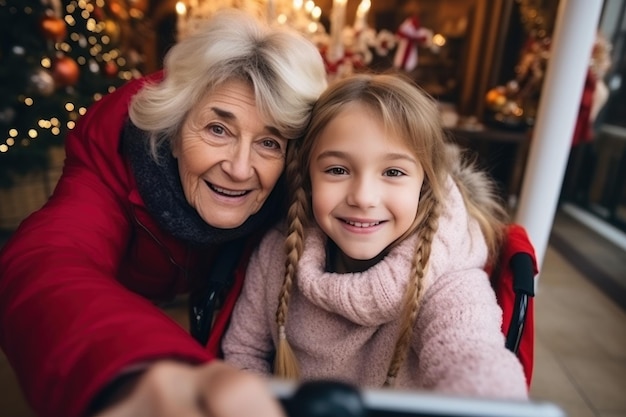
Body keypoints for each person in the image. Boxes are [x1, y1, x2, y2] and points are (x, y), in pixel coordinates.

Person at [0, 9, 327, 417]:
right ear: (172, 133)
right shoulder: (110, 163)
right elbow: (46, 263)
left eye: (270, 143)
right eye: (217, 129)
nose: (240, 169)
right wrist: (129, 372)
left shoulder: (290, 197)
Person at [222, 73, 529, 399]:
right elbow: (244, 352)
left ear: (423, 185)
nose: (363, 197)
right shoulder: (277, 253)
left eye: (393, 172)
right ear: (308, 177)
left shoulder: (448, 281)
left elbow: (472, 353)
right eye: (337, 170)